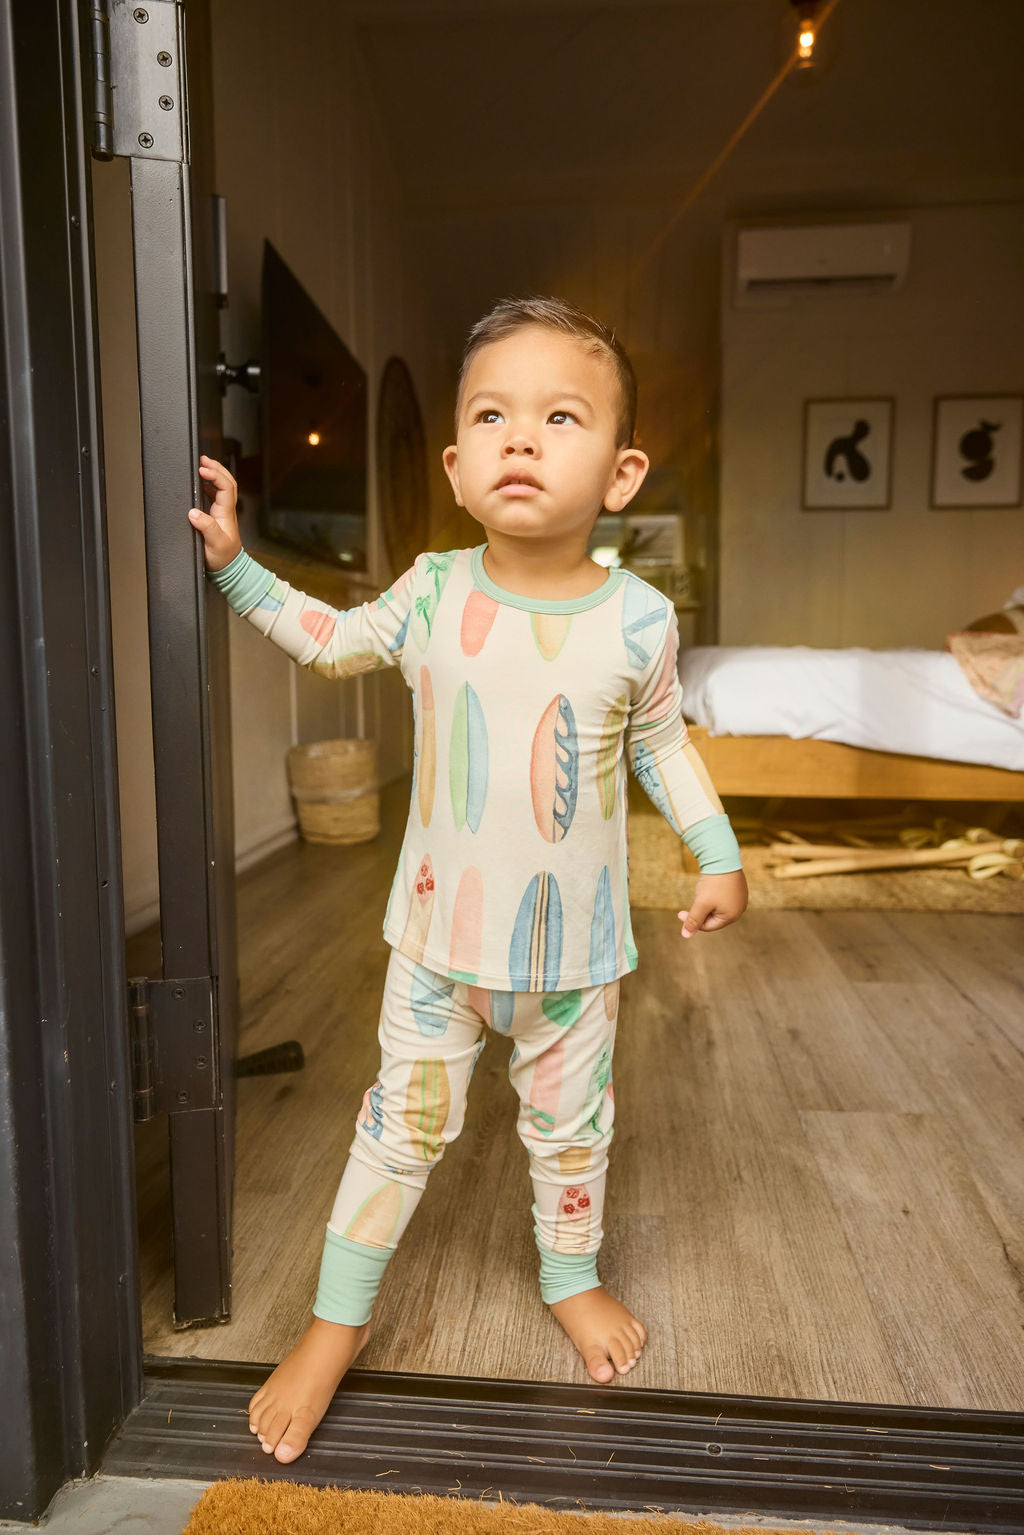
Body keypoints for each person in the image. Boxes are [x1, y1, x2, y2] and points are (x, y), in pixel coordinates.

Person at [188, 295, 748, 1464]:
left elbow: (662, 744)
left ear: (622, 472)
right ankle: (336, 1322)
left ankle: (569, 1275)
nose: (521, 437)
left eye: (560, 416)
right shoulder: (434, 592)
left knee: (573, 1135)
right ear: (454, 466)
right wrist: (238, 569)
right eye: (491, 415)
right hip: (439, 948)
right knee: (395, 1132)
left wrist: (718, 850)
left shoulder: (640, 621)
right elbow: (333, 641)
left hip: (576, 961)